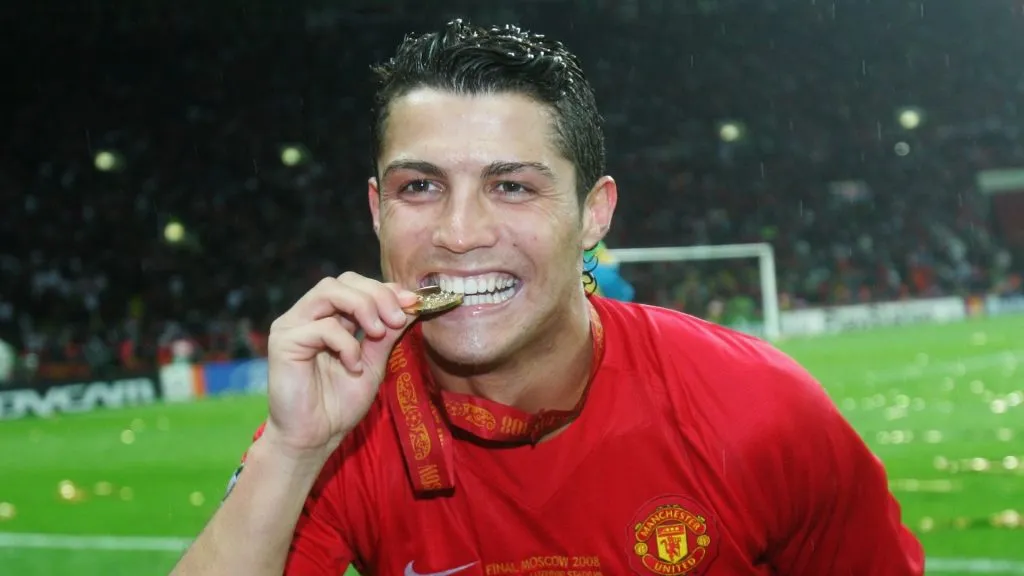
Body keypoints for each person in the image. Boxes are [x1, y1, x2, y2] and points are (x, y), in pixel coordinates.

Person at [172, 19, 924, 576]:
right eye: (421, 186)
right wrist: (291, 451)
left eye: (511, 186)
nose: (459, 233)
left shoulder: (760, 410)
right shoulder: (346, 424)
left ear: (594, 213)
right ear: (376, 210)